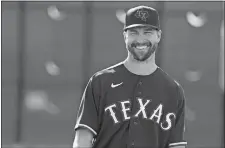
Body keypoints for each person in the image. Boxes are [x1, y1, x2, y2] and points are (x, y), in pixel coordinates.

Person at [73, 5, 187, 148]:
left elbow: (176, 145)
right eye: (134, 32)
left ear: (158, 36)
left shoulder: (173, 91)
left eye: (148, 32)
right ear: (125, 36)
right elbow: (82, 140)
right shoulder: (100, 82)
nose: (140, 39)